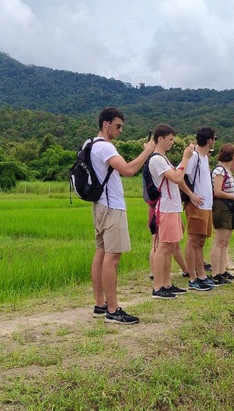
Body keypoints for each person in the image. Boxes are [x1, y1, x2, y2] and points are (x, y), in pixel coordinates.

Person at [89, 107, 155, 325]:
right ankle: (113, 309)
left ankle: (100, 303)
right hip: (112, 207)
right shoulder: (105, 147)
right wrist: (147, 151)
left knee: (101, 253)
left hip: (99, 206)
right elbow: (128, 170)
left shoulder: (89, 144)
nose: (120, 131)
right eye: (117, 126)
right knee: (113, 256)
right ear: (106, 124)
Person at [148, 124, 200, 299]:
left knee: (170, 247)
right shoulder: (156, 159)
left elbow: (176, 179)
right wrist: (186, 158)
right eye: (170, 139)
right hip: (166, 208)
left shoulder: (163, 159)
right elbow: (178, 177)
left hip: (172, 208)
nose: (172, 143)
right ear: (160, 138)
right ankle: (158, 286)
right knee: (163, 247)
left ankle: (166, 283)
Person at [184, 127, 218, 291]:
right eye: (214, 139)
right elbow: (180, 176)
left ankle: (202, 275)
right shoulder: (194, 156)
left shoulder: (204, 157)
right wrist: (192, 195)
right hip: (196, 205)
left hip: (206, 206)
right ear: (210, 140)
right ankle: (192, 278)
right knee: (193, 241)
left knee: (201, 241)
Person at [210, 143, 234, 285]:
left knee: (225, 241)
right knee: (219, 241)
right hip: (221, 206)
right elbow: (217, 192)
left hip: (228, 207)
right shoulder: (219, 171)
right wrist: (233, 197)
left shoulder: (227, 171)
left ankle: (222, 270)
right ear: (231, 156)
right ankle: (215, 273)